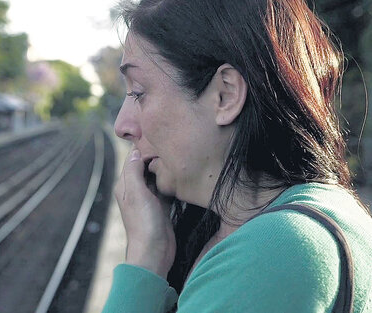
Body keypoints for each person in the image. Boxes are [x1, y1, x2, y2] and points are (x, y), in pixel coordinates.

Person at [103, 0, 372, 312]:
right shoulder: (320, 212)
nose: (122, 126)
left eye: (138, 92)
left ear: (225, 95)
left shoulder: (274, 253)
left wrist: (143, 260)